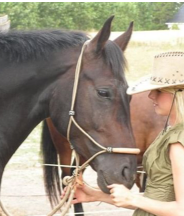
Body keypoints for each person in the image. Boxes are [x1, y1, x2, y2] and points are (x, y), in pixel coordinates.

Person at [61, 51, 184, 216]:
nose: (150, 95)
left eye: (159, 90)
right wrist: (94, 195)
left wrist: (132, 199)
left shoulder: (178, 142)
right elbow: (158, 199)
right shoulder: (170, 133)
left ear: (179, 93)